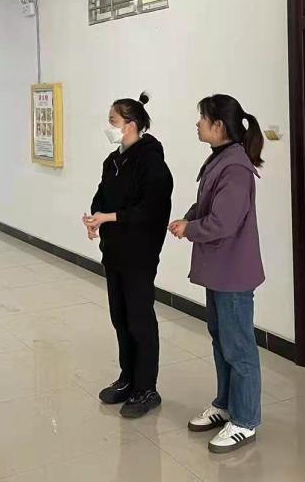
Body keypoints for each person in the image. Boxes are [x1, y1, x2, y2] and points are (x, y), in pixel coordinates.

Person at [168, 94, 266, 455]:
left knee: (239, 347)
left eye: (202, 118)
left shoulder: (236, 168)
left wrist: (190, 229)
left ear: (219, 125)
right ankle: (225, 404)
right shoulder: (220, 158)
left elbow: (223, 221)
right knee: (222, 340)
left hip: (233, 274)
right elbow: (208, 203)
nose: (198, 124)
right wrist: (189, 218)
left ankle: (245, 420)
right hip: (219, 271)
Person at [83, 93, 174, 419]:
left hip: (140, 254)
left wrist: (111, 217)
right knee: (119, 317)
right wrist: (95, 218)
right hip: (114, 252)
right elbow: (101, 195)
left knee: (139, 319)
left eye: (113, 121)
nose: (109, 126)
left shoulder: (152, 164)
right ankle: (128, 378)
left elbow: (150, 210)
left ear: (131, 125)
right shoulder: (113, 161)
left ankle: (147, 387)